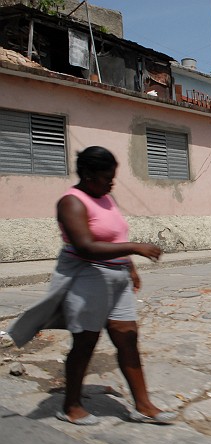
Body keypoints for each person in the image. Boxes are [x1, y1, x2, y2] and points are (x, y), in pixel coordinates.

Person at [5, 146, 176, 425]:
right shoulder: (71, 202)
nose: (111, 183)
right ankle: (71, 406)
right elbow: (85, 246)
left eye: (113, 177)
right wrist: (135, 248)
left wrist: (130, 268)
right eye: (106, 177)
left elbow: (115, 235)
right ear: (87, 175)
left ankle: (144, 406)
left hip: (116, 277)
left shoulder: (106, 197)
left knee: (128, 339)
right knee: (85, 343)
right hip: (87, 277)